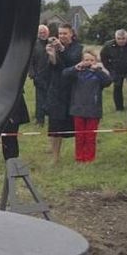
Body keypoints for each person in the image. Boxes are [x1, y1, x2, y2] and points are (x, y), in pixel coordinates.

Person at [62, 48, 111, 163]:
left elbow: (108, 81)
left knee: (90, 136)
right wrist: (75, 68)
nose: (89, 62)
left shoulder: (99, 74)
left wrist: (98, 70)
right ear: (82, 60)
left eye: (91, 60)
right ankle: (79, 157)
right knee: (79, 136)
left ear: (95, 61)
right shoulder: (77, 72)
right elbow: (64, 74)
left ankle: (89, 158)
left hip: (93, 110)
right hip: (78, 108)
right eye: (86, 60)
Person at [45, 24, 82, 164]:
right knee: (55, 124)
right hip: (56, 89)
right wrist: (52, 56)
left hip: (72, 90)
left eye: (65, 33)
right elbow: (52, 67)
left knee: (74, 125)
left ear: (72, 34)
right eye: (60, 33)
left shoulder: (78, 48)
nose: (61, 36)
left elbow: (72, 62)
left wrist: (61, 49)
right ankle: (55, 157)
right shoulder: (55, 47)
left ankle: (80, 155)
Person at [100, 29, 127, 112]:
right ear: (115, 38)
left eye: (123, 38)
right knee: (117, 87)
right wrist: (110, 69)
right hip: (116, 69)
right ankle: (119, 108)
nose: (121, 41)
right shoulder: (108, 45)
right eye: (119, 38)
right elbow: (103, 57)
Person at [29, 25, 52, 125]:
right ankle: (40, 120)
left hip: (52, 76)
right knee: (40, 99)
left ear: (48, 33)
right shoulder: (34, 45)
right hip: (39, 76)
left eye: (44, 32)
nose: (42, 34)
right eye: (40, 32)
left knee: (51, 98)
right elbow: (30, 61)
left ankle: (52, 118)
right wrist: (32, 74)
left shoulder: (52, 43)